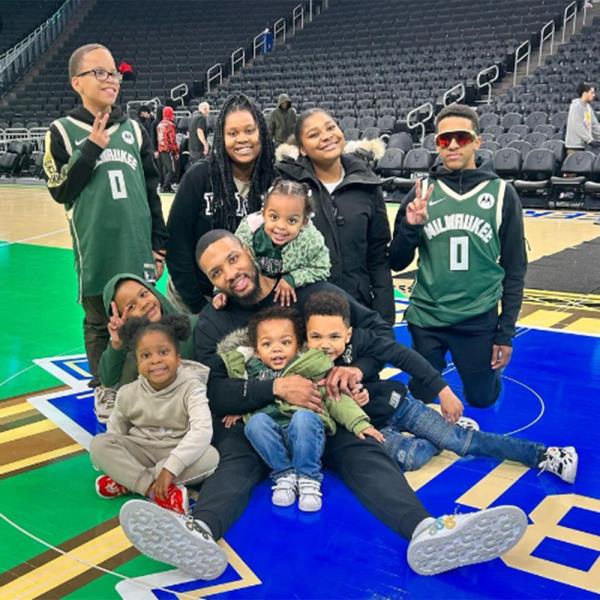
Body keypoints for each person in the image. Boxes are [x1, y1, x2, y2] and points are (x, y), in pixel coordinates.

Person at [118, 229, 528, 580]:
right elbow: (214, 390)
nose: (231, 274)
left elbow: (376, 332)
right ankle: (200, 532)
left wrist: (353, 370)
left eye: (233, 259)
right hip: (261, 423)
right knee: (235, 456)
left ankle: (426, 529)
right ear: (212, 283)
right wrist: (278, 388)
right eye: (217, 273)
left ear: (247, 250)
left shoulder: (307, 291)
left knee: (365, 448)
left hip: (320, 410)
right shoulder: (213, 321)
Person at [303, 291, 578, 482]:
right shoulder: (304, 365)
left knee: (461, 442)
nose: (325, 343)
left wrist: (443, 391)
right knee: (410, 457)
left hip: (398, 406)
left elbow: (406, 357)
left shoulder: (362, 341)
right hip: (375, 427)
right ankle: (439, 438)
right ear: (305, 336)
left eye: (334, 335)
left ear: (348, 333)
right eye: (316, 336)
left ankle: (546, 455)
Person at [43, 43, 168, 389]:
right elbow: (59, 189)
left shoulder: (134, 130)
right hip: (96, 251)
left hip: (136, 247)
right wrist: (91, 149)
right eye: (99, 72)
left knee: (146, 320)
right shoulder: (62, 131)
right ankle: (105, 386)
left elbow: (151, 191)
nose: (110, 79)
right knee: (100, 323)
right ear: (76, 82)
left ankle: (150, 387)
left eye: (113, 73)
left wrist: (160, 246)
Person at [389, 104, 527, 409]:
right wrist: (411, 227)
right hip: (427, 316)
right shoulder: (421, 191)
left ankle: (484, 379)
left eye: (461, 138)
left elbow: (515, 269)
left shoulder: (502, 193)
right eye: (444, 139)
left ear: (477, 141)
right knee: (423, 394)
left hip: (477, 318)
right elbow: (396, 261)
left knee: (482, 398)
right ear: (436, 143)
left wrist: (506, 333)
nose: (452, 145)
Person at [218, 306, 383, 512]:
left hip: (306, 436)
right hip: (273, 440)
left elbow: (333, 398)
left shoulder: (307, 368)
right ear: (257, 352)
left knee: (304, 417)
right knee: (255, 423)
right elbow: (243, 392)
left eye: (285, 343)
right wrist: (240, 407)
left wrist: (359, 423)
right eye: (267, 344)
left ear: (297, 347)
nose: (276, 349)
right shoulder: (250, 373)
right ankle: (284, 475)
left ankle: (309, 478)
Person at [90, 315, 219, 514]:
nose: (155, 360)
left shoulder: (192, 388)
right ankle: (153, 491)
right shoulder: (128, 393)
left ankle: (128, 481)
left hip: (176, 451)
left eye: (163, 352)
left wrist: (170, 469)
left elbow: (201, 431)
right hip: (141, 449)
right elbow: (115, 432)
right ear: (138, 362)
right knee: (99, 444)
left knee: (211, 457)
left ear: (178, 358)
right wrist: (115, 457)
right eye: (146, 355)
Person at [277, 108, 395, 325]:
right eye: (313, 135)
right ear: (302, 149)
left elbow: (377, 256)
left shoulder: (368, 184)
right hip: (301, 312)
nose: (326, 136)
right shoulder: (286, 186)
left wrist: (384, 318)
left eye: (331, 127)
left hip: (357, 309)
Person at [165, 93, 275, 314]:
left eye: (249, 131)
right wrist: (200, 306)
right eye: (232, 133)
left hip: (250, 298)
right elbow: (177, 245)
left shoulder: (275, 181)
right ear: (221, 138)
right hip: (196, 297)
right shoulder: (200, 177)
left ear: (261, 132)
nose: (242, 139)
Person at [94, 273, 199, 422]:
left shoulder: (192, 325)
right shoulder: (130, 348)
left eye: (144, 294)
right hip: (149, 419)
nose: (143, 304)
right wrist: (117, 343)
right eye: (131, 306)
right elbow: (108, 380)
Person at [212, 177, 330, 309]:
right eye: (274, 217)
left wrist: (293, 278)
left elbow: (322, 267)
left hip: (290, 300)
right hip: (253, 294)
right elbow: (231, 260)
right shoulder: (249, 231)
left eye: (291, 220)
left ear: (304, 222)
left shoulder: (311, 240)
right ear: (263, 214)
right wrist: (220, 291)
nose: (280, 226)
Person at [565, 82, 600, 154]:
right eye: (592, 93)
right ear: (584, 93)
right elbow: (578, 126)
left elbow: (595, 126)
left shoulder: (588, 107)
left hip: (584, 146)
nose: (594, 95)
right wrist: (590, 140)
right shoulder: (575, 106)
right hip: (574, 147)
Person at [157, 105, 178, 193]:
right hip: (168, 149)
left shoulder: (160, 124)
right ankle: (165, 187)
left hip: (161, 149)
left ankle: (165, 186)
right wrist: (176, 151)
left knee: (165, 169)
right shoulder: (170, 125)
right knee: (172, 170)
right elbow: (172, 140)